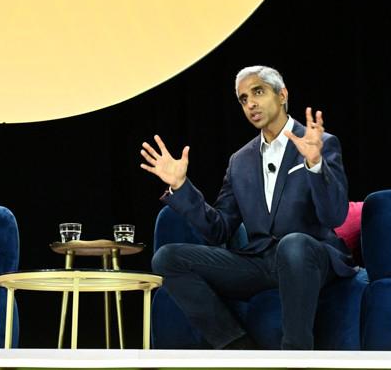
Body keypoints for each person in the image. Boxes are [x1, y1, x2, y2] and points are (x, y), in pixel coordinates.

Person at [140, 65, 355, 350]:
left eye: (258, 92)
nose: (251, 103)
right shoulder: (240, 161)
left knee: (293, 245)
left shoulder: (320, 144)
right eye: (243, 99)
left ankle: (296, 357)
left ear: (282, 95)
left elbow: (334, 215)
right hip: (261, 262)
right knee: (167, 258)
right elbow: (219, 230)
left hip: (310, 257)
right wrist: (181, 187)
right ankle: (237, 349)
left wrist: (315, 165)